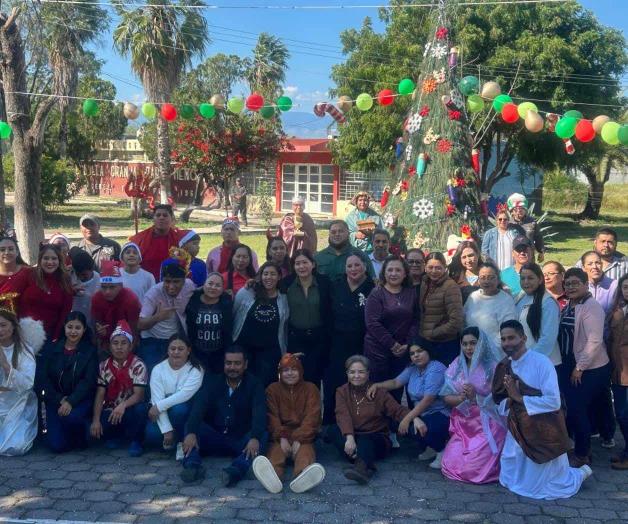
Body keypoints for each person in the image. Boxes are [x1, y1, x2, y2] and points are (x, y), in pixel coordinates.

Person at [492, 320, 591, 499]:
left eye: (511, 338)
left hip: (544, 428)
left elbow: (554, 402)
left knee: (544, 487)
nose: (507, 343)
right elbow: (499, 399)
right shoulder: (504, 366)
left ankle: (580, 474)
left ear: (523, 338)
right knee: (509, 475)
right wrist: (509, 401)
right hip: (517, 424)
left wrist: (519, 398)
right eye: (504, 339)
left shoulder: (541, 362)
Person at [181, 346, 267, 486]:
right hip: (214, 438)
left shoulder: (255, 384)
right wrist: (191, 432)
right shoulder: (212, 382)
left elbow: (259, 414)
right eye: (228, 363)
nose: (232, 367)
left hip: (240, 441)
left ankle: (235, 471)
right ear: (224, 364)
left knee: (262, 436)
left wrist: (255, 437)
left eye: (237, 363)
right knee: (190, 428)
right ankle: (192, 466)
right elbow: (198, 408)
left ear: (245, 365)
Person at [558, 268, 612, 466]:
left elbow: (595, 340)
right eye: (567, 283)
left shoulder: (591, 306)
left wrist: (579, 367)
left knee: (577, 408)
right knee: (574, 408)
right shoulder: (569, 305)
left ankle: (582, 453)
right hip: (570, 363)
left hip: (590, 368)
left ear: (585, 284)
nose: (570, 287)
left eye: (575, 283)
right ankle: (579, 447)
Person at [368, 341, 450, 470]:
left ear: (428, 351)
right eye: (412, 353)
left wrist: (407, 419)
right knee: (395, 421)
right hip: (421, 413)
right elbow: (395, 383)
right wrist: (377, 385)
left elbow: (428, 399)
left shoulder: (436, 368)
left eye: (420, 351)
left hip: (439, 413)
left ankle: (442, 451)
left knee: (422, 428)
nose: (416, 355)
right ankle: (430, 447)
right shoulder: (413, 368)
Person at [440, 327, 506, 484]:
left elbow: (500, 399)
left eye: (473, 343)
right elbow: (445, 397)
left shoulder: (492, 367)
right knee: (450, 464)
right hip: (463, 423)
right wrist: (461, 398)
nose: (468, 348)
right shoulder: (457, 365)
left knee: (472, 469)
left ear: (481, 344)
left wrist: (476, 397)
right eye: (465, 344)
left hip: (488, 422)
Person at [252, 353, 325, 494]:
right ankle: (272, 477)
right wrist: (282, 437)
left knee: (305, 453)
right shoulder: (272, 390)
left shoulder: (311, 389)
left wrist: (299, 438)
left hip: (304, 436)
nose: (290, 373)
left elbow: (313, 417)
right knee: (276, 453)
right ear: (280, 373)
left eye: (294, 369)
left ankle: (302, 477)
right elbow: (271, 417)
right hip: (281, 437)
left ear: (301, 371)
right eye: (285, 370)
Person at [329, 355, 409, 484]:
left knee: (366, 440)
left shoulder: (378, 392)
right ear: (347, 374)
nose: (356, 376)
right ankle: (365, 463)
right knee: (332, 430)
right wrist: (349, 438)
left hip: (375, 438)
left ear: (368, 373)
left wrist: (414, 418)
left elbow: (397, 410)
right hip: (354, 437)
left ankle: (361, 469)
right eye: (352, 372)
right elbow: (342, 414)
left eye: (361, 372)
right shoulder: (342, 391)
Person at [323, 254, 375, 425]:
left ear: (365, 267)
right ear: (345, 268)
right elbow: (327, 313)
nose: (353, 269)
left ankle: (362, 422)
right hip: (337, 343)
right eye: (350, 266)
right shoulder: (336, 286)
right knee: (335, 382)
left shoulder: (373, 287)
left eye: (357, 265)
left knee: (360, 381)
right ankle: (331, 422)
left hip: (363, 343)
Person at [41, 312, 98, 453]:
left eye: (77, 328)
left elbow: (88, 381)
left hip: (80, 400)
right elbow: (43, 379)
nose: (73, 331)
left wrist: (70, 401)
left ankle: (82, 435)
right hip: (56, 400)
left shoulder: (90, 351)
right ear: (64, 328)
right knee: (57, 446)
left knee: (71, 418)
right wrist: (60, 399)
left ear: (84, 330)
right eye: (70, 327)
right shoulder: (52, 349)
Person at [90, 320, 148, 457]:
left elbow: (139, 395)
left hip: (129, 408)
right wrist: (96, 420)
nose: (119, 347)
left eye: (123, 343)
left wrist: (123, 406)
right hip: (111, 410)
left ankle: (136, 441)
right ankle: (116, 436)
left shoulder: (138, 365)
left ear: (130, 346)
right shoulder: (103, 366)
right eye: (115, 343)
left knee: (140, 409)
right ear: (110, 346)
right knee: (93, 428)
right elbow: (100, 394)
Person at [363, 256, 417, 402]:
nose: (393, 273)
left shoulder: (411, 293)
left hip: (402, 351)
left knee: (396, 393)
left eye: (398, 270)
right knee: (377, 392)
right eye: (390, 270)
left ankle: (395, 424)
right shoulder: (377, 293)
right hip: (377, 352)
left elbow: (415, 320)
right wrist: (392, 344)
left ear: (405, 273)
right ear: (384, 273)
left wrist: (408, 343)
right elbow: (372, 323)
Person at [232, 262, 289, 388]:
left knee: (265, 386)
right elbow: (234, 314)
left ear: (279, 277)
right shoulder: (247, 292)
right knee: (242, 385)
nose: (269, 277)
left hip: (270, 352)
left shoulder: (284, 298)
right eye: (265, 274)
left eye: (273, 274)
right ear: (260, 276)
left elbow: (285, 325)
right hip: (245, 348)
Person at [145, 334, 204, 453]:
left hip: (185, 413)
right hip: (163, 413)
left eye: (181, 349)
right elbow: (157, 399)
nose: (176, 352)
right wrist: (167, 430)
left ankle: (183, 440)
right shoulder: (158, 369)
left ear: (188, 351)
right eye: (172, 349)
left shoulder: (196, 369)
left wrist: (158, 406)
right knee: (151, 435)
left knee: (179, 409)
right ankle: (171, 438)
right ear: (167, 350)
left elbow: (184, 395)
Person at [138, 255, 195, 373]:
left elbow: (203, 290)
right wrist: (158, 317)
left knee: (180, 373)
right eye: (167, 281)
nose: (171, 286)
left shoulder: (189, 286)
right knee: (152, 373)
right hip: (153, 340)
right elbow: (140, 324)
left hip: (176, 338)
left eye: (176, 282)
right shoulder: (153, 294)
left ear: (184, 281)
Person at [0, 307, 45, 456]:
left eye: (3, 325)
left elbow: (27, 383)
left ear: (13, 326)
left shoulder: (24, 350)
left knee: (14, 447)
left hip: (18, 402)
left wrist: (6, 366)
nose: (0, 330)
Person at [284, 249, 332, 388]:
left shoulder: (324, 283)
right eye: (297, 263)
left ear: (313, 264)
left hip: (319, 338)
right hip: (296, 338)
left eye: (305, 262)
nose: (301, 266)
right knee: (296, 379)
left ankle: (314, 408)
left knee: (314, 378)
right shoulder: (286, 284)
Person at [19, 244, 73, 344]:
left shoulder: (65, 281)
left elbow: (65, 313)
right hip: (22, 333)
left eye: (54, 258)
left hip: (48, 337)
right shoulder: (29, 275)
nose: (50, 262)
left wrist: (56, 337)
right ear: (40, 260)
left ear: (59, 261)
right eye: (46, 258)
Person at [419, 252, 464, 366]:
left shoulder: (450, 287)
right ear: (425, 267)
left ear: (445, 268)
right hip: (427, 342)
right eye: (430, 267)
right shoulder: (425, 283)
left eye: (438, 268)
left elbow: (456, 321)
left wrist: (433, 332)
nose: (434, 271)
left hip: (445, 345)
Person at [185, 273, 233, 374]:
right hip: (197, 352)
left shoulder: (226, 303)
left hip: (218, 353)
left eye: (218, 285)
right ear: (204, 284)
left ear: (222, 288)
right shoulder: (192, 300)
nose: (213, 287)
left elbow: (228, 330)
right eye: (210, 283)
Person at [516, 263, 562, 366]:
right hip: (522, 361)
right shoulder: (520, 298)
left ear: (540, 280)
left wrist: (529, 359)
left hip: (544, 363)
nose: (526, 282)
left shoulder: (548, 302)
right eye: (522, 278)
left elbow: (548, 338)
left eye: (530, 278)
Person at [90, 261, 141, 353]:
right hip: (106, 343)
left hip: (127, 342)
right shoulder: (96, 298)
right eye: (104, 287)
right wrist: (100, 331)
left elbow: (134, 329)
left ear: (121, 286)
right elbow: (97, 325)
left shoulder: (131, 300)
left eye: (112, 287)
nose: (107, 292)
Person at [464, 262, 516, 348]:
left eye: (491, 278)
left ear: (498, 279)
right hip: (471, 349)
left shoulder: (506, 300)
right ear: (478, 280)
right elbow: (463, 321)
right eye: (482, 278)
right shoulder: (473, 297)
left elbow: (508, 330)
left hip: (497, 352)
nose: (486, 281)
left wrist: (486, 348)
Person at [129, 204, 187, 281]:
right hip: (144, 281)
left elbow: (186, 263)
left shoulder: (179, 239)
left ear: (171, 218)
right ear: (153, 218)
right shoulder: (140, 239)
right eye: (158, 215)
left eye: (165, 215)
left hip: (171, 283)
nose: (161, 218)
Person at [610, 274, 628, 469]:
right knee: (622, 413)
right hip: (618, 370)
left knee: (625, 413)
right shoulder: (617, 310)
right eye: (625, 287)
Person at [580, 250, 618, 320]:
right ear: (583, 268)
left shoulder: (615, 286)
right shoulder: (580, 287)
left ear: (602, 264)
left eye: (597, 263)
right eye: (590, 264)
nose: (595, 266)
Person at [506, 193, 545, 262]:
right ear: (512, 211)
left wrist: (541, 252)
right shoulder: (508, 224)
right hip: (512, 258)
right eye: (516, 209)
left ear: (525, 210)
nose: (519, 211)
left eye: (521, 209)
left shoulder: (532, 223)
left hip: (529, 256)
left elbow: (538, 238)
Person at [69, 248, 100, 328]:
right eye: (77, 274)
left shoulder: (99, 280)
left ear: (92, 269)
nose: (80, 277)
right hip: (73, 323)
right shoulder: (69, 276)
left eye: (84, 275)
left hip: (92, 322)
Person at [0, 235, 32, 300]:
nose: (7, 252)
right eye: (2, 250)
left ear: (17, 252)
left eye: (11, 249)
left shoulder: (29, 272)